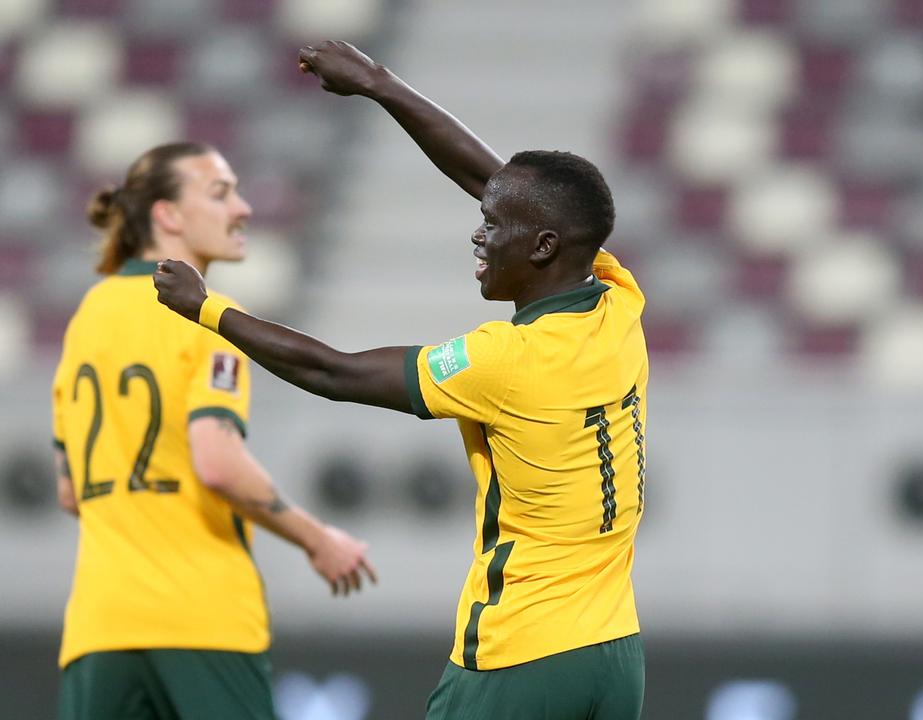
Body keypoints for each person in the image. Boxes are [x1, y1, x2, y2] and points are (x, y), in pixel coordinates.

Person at [154, 43, 649, 719]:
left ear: (541, 248)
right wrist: (378, 86)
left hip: (522, 652)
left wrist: (209, 308)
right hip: (614, 655)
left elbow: (335, 372)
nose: (478, 236)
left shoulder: (504, 361)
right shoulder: (618, 300)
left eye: (492, 228)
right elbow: (500, 183)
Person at [50, 141, 377, 720]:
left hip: (100, 626)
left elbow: (70, 491)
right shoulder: (205, 317)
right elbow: (217, 463)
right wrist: (317, 539)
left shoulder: (87, 317)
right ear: (168, 215)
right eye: (221, 193)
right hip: (200, 616)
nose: (243, 208)